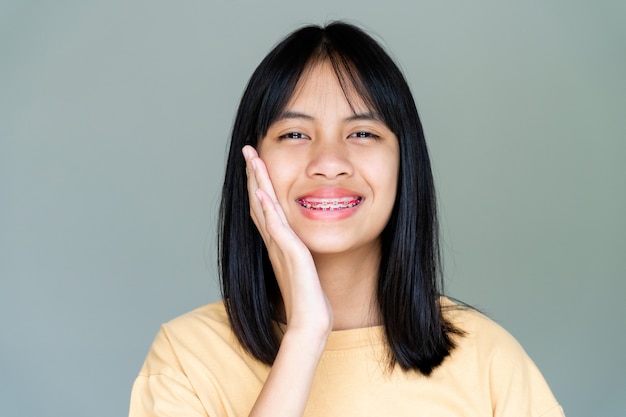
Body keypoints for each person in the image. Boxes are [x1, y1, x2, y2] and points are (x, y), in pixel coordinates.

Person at [129, 22, 565, 417]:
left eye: (362, 133)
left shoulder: (489, 362)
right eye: (295, 134)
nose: (330, 162)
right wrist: (305, 336)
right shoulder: (185, 360)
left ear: (404, 164)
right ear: (252, 162)